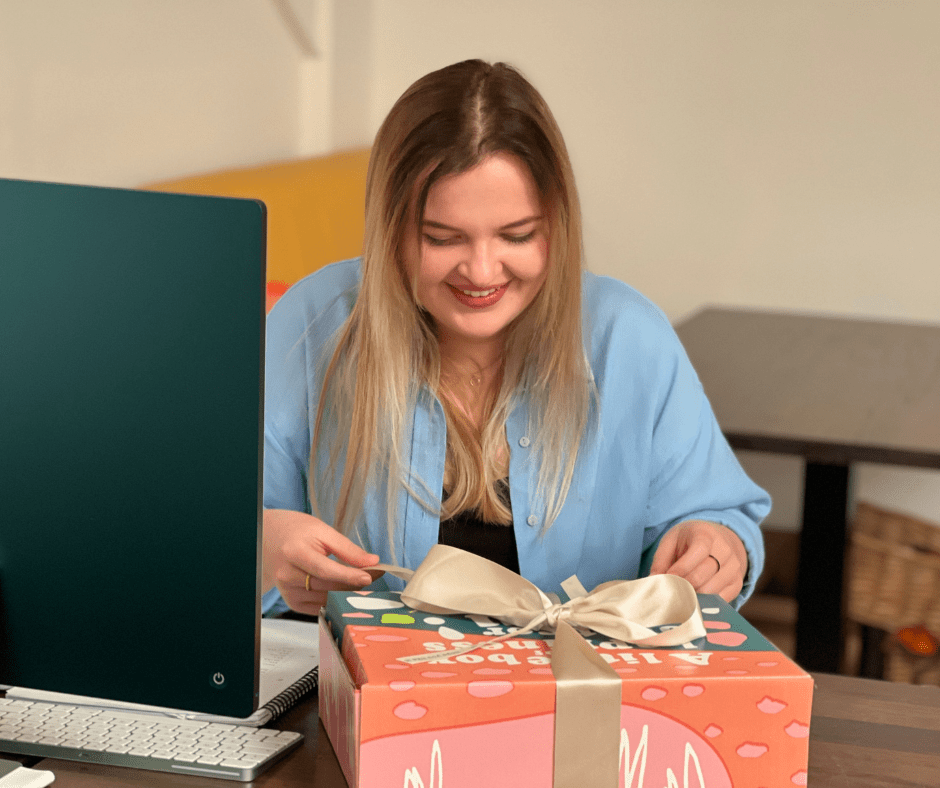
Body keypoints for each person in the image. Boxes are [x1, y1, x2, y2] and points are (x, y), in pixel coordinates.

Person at [261, 59, 769, 619]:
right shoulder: (311, 322)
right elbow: (206, 522)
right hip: (352, 691)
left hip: (581, 695)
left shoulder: (627, 336)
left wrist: (716, 547)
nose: (481, 272)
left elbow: (719, 516)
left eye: (517, 235)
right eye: (442, 237)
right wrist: (261, 544)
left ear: (557, 224)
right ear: (390, 230)